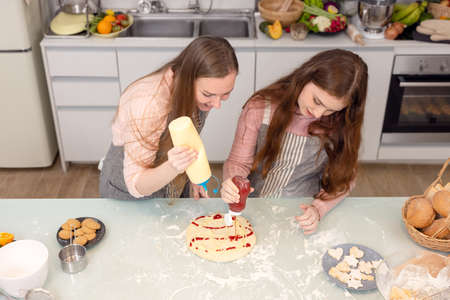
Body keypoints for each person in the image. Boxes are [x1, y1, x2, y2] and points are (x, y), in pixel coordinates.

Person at [221, 49, 368, 235]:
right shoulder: (261, 107)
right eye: (317, 100)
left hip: (301, 216)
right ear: (306, 77)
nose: (318, 114)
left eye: (331, 110)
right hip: (253, 205)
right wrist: (233, 182)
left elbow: (344, 178)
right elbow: (238, 162)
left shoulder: (340, 124)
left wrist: (318, 209)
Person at [100, 36, 238, 200]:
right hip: (130, 193)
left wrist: (193, 175)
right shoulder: (148, 105)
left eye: (225, 94)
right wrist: (173, 167)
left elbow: (186, 139)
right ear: (187, 80)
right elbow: (136, 184)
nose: (217, 104)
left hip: (172, 181)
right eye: (208, 94)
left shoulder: (204, 92)